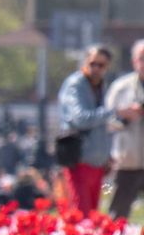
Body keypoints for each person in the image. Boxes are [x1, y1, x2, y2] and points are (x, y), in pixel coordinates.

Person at [57, 44, 135, 214]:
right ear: (85, 62)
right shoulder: (75, 85)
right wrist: (114, 112)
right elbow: (80, 118)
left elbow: (106, 124)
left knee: (93, 212)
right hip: (79, 159)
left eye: (101, 65)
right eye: (93, 64)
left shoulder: (102, 86)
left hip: (98, 162)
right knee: (81, 211)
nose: (96, 69)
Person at [106, 40, 144, 219]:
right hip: (128, 160)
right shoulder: (121, 88)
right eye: (142, 58)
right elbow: (106, 120)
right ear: (134, 61)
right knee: (119, 212)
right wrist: (126, 116)